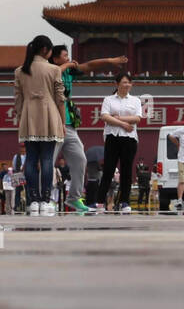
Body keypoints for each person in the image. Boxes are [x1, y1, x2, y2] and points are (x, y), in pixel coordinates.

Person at [51, 46, 126, 215]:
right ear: (55, 59)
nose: (69, 58)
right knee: (49, 161)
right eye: (65, 56)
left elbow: (89, 66)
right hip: (52, 123)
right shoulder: (51, 71)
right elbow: (56, 71)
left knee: (80, 159)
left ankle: (74, 197)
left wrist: (110, 61)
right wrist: (69, 65)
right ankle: (47, 199)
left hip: (69, 125)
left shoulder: (69, 72)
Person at [13, 35, 67, 216]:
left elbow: (18, 99)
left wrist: (22, 118)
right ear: (45, 50)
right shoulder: (54, 69)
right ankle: (45, 200)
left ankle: (33, 200)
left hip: (29, 117)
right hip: (49, 115)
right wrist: (61, 121)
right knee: (46, 159)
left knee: (30, 158)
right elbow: (60, 98)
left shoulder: (20, 70)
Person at [95, 71, 142, 214]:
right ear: (117, 84)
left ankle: (124, 202)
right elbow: (105, 116)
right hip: (112, 137)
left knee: (126, 171)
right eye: (124, 82)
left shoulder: (135, 100)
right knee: (108, 170)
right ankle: (100, 202)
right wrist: (122, 124)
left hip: (129, 138)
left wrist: (118, 118)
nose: (127, 85)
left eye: (129, 82)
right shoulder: (109, 99)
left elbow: (137, 118)